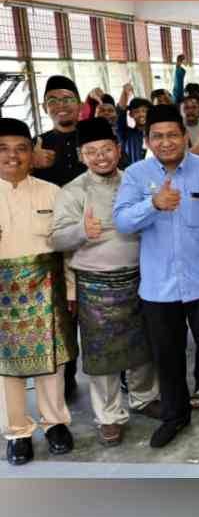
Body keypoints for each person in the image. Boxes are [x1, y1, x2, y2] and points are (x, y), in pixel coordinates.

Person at [112, 105, 199, 449]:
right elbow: (123, 222)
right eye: (158, 136)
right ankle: (175, 415)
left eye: (173, 134)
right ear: (147, 140)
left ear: (186, 136)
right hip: (158, 285)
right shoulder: (136, 176)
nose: (166, 142)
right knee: (167, 355)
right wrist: (152, 204)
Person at [50, 118, 161, 447]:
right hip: (96, 284)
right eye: (92, 152)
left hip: (140, 277)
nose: (101, 157)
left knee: (144, 347)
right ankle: (109, 415)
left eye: (106, 149)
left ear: (117, 149)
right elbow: (56, 239)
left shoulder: (136, 182)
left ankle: (143, 398)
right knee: (102, 357)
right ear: (82, 155)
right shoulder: (72, 191)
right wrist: (83, 232)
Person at [1, 118, 77, 466]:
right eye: (3, 149)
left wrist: (72, 290)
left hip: (47, 290)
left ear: (33, 154)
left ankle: (55, 423)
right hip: (3, 296)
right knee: (6, 370)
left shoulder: (52, 193)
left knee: (53, 363)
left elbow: (67, 250)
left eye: (21, 149)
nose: (12, 156)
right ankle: (17, 432)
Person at [31, 75, 88, 400]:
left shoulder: (95, 137)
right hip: (52, 241)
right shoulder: (37, 143)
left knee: (108, 310)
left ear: (79, 104)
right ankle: (67, 376)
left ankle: (122, 372)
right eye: (53, 99)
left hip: (96, 238)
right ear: (44, 106)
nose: (61, 105)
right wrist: (31, 165)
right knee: (63, 313)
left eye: (68, 98)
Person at [115, 86, 150, 165]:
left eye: (144, 111)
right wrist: (124, 92)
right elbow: (120, 112)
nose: (141, 114)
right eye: (136, 111)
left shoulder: (156, 133)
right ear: (131, 114)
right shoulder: (127, 134)